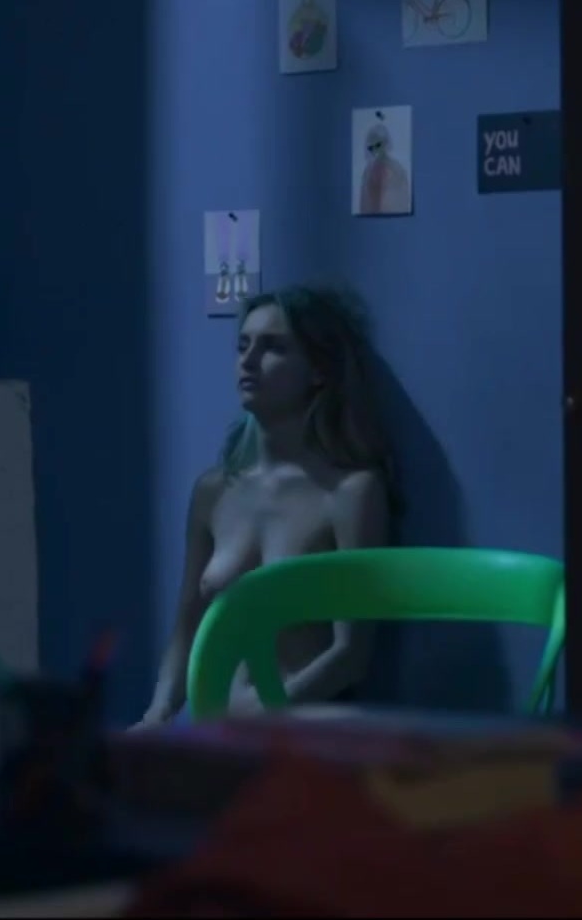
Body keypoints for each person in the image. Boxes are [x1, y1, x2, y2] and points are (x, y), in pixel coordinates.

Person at [135, 286, 396, 727]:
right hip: (217, 735)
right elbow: (187, 628)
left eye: (273, 347)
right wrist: (157, 715)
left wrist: (265, 716)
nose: (249, 360)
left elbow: (350, 655)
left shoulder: (352, 493)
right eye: (243, 346)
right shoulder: (214, 491)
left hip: (304, 736)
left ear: (318, 370)